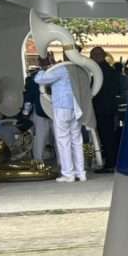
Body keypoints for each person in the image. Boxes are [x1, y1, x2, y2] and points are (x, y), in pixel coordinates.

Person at [34, 51, 86, 182]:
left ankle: (68, 174)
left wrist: (44, 67)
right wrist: (52, 65)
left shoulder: (62, 69)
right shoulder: (79, 68)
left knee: (63, 141)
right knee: (77, 141)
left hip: (62, 107)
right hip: (76, 107)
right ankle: (81, 173)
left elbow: (39, 79)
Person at [89, 47, 121, 171]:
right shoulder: (110, 70)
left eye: (92, 55)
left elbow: (96, 91)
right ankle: (111, 162)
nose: (91, 58)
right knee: (109, 136)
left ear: (98, 56)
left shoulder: (100, 71)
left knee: (106, 137)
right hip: (109, 108)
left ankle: (110, 163)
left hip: (102, 109)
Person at [22, 67, 53, 163]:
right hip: (55, 110)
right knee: (59, 138)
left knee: (40, 136)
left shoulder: (33, 79)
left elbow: (29, 98)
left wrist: (25, 113)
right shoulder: (53, 76)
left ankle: (38, 160)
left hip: (40, 110)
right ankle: (62, 162)